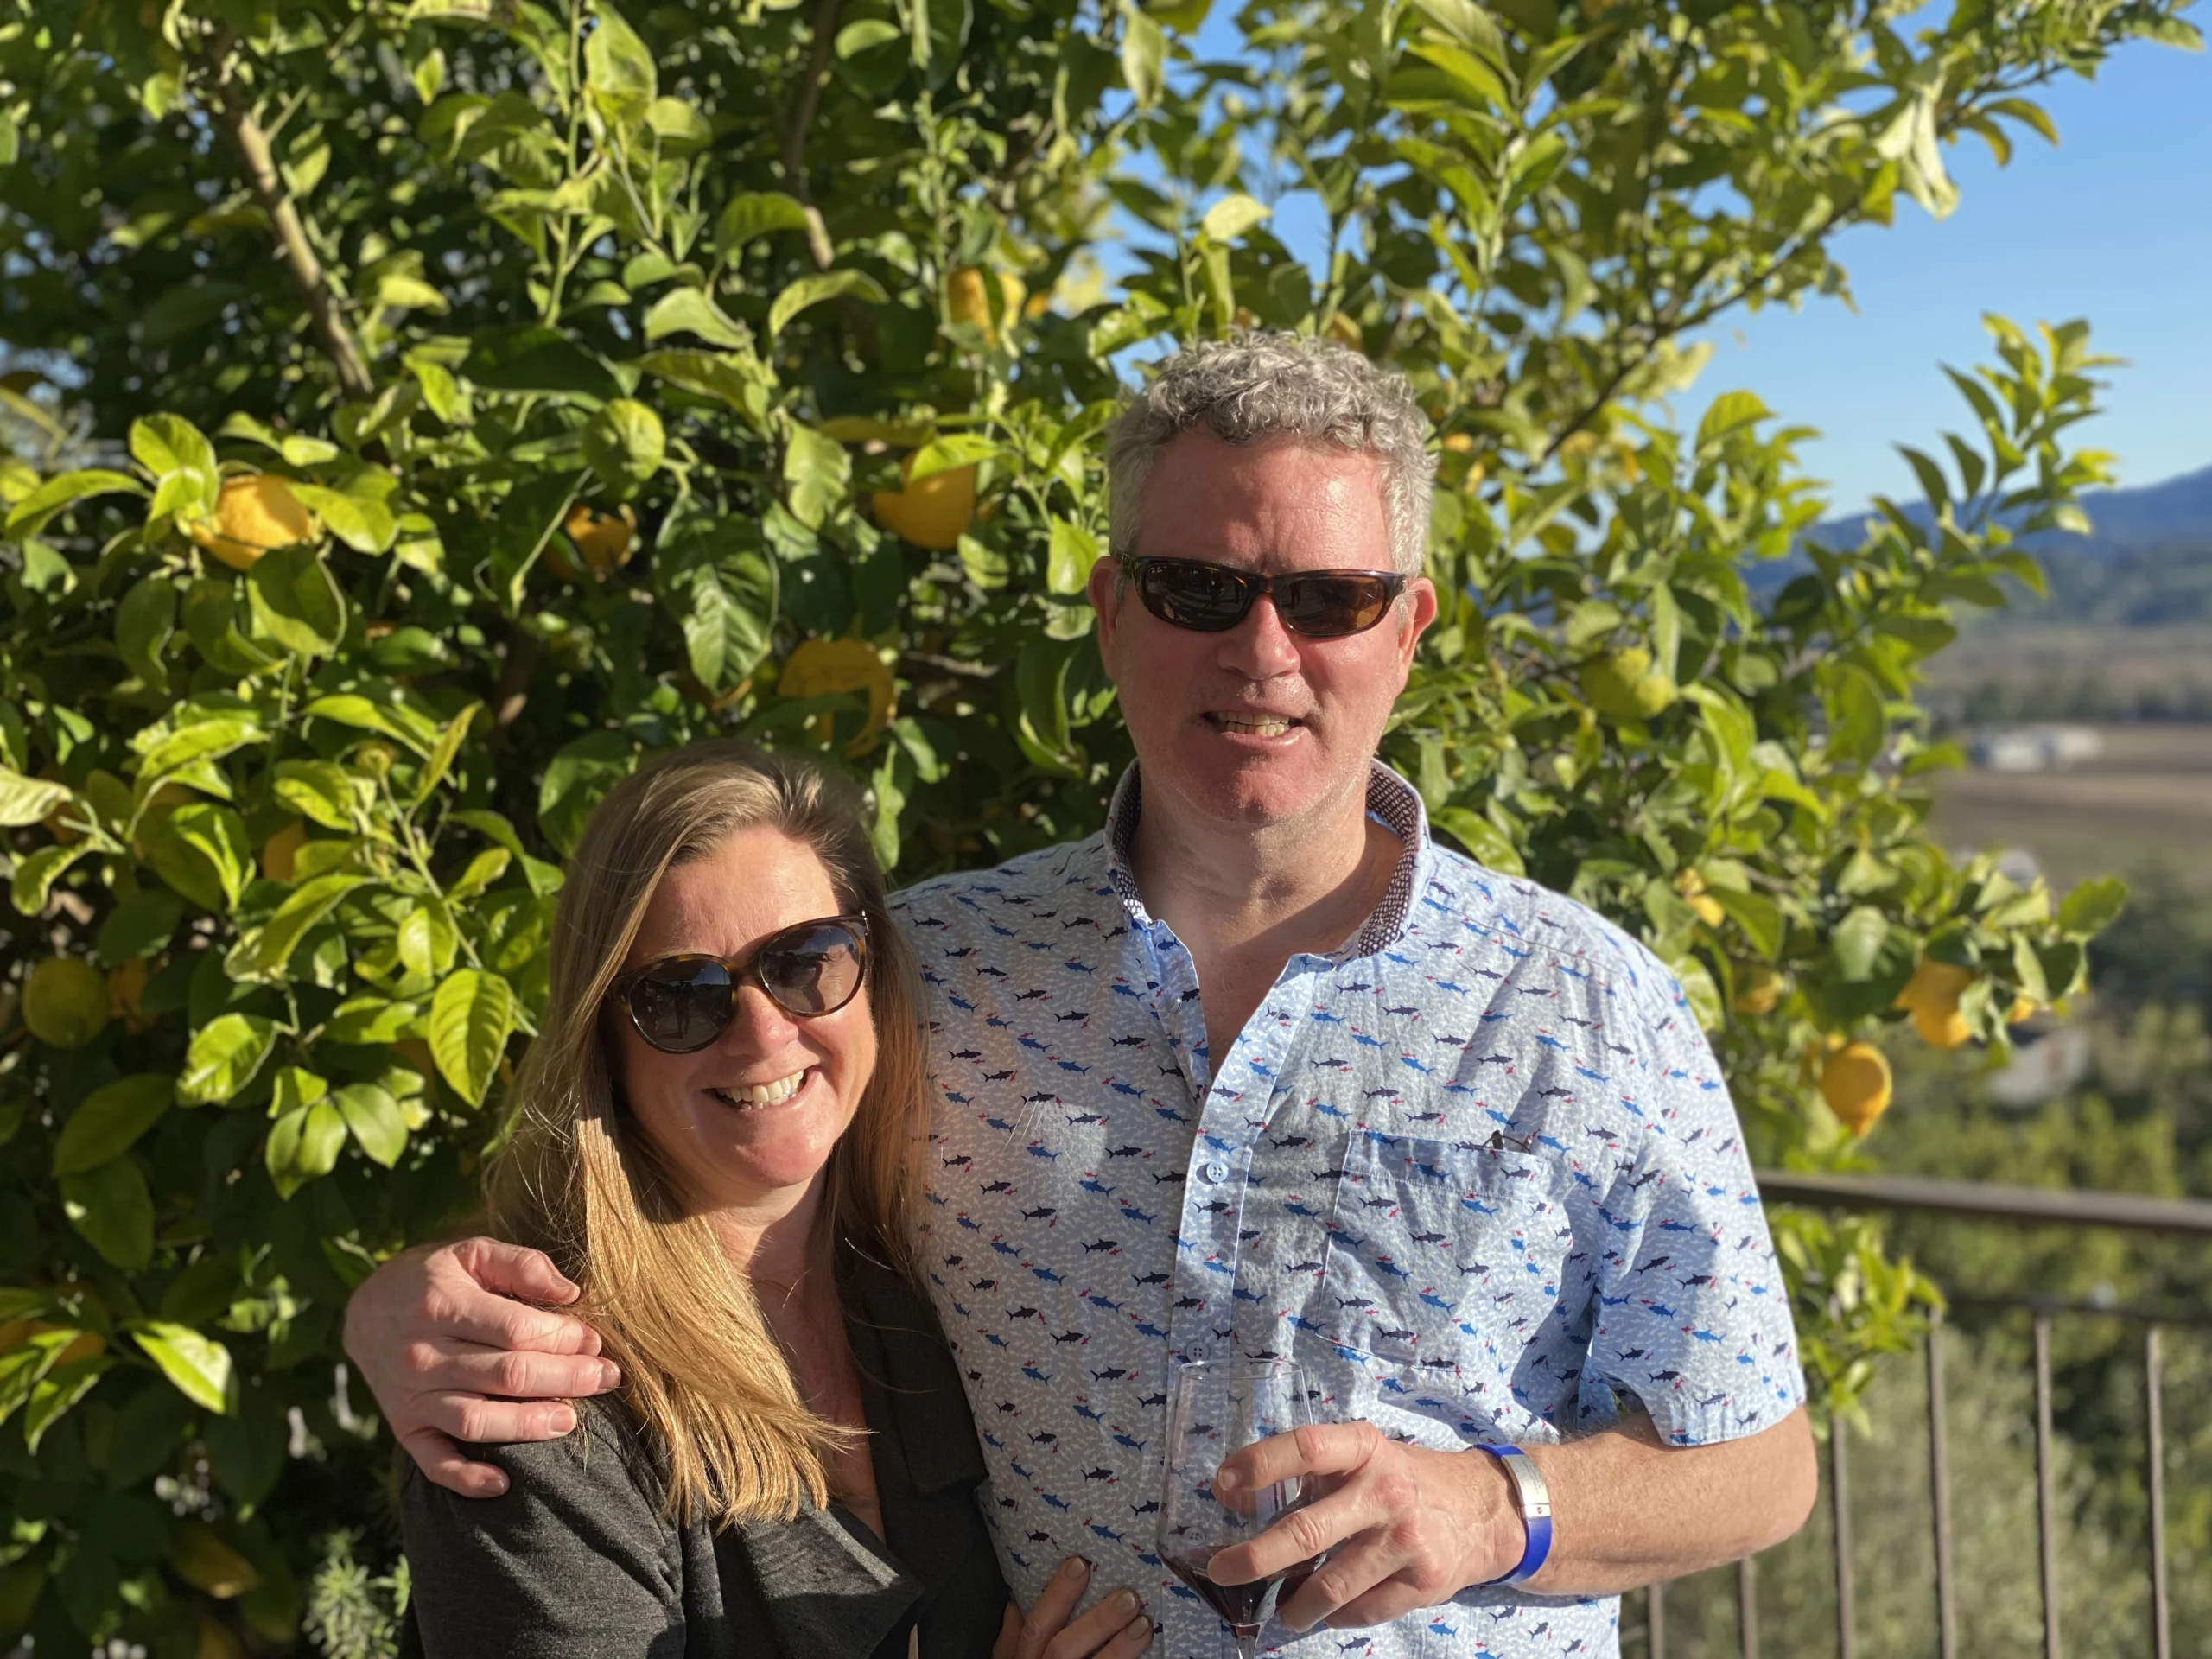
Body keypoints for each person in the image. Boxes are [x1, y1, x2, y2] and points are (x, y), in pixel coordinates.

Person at [348, 333, 1819, 1659]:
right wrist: (403, 1312)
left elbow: (1763, 1468)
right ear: (1113, 611)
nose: (1263, 652)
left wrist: (1502, 1512)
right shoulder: (926, 970)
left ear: (1407, 628)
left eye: (1327, 598)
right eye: (1199, 589)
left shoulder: (1589, 1008)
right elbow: (699, 1174)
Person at [391, 742, 1154, 1659]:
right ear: (607, 1048)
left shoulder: (944, 1294)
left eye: (806, 962)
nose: (761, 1033)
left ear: (872, 972)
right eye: (682, 996)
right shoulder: (539, 1402)